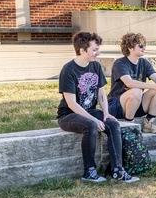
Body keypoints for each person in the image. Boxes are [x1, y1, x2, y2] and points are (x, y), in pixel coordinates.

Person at [57, 32, 138, 183]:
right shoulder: (68, 70)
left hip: (89, 111)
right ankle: (89, 171)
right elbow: (71, 103)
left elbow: (101, 94)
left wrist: (106, 113)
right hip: (68, 115)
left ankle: (118, 170)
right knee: (91, 125)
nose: (97, 53)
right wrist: (94, 119)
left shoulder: (95, 66)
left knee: (113, 124)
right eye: (94, 50)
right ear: (82, 50)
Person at [107, 32, 156, 134]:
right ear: (130, 48)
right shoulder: (120, 63)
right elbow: (129, 83)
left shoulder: (144, 63)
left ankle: (149, 123)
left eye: (144, 45)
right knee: (136, 90)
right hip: (117, 106)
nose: (143, 48)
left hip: (136, 104)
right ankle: (129, 124)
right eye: (140, 45)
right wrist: (154, 86)